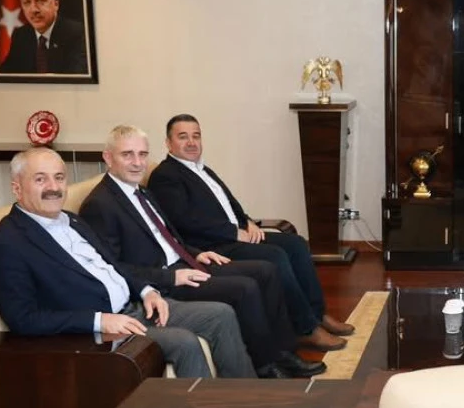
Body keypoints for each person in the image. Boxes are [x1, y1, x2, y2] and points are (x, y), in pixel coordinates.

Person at [0, 147, 255, 379]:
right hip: (96, 331)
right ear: (17, 188)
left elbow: (114, 265)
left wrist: (146, 290)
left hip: (135, 307)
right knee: (184, 342)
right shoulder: (5, 244)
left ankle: (249, 401)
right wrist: (99, 321)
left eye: (59, 177)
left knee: (220, 314)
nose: (53, 187)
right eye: (40, 179)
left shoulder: (72, 220)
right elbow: (23, 319)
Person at [78, 125, 326, 379]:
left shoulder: (141, 192)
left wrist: (196, 253)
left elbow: (169, 237)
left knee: (266, 271)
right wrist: (172, 277)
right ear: (108, 157)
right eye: (127, 155)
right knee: (245, 288)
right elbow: (115, 268)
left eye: (142, 154)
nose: (137, 162)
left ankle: (284, 352)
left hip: (185, 263)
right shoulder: (100, 205)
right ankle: (266, 366)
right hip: (163, 281)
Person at [147, 114, 354, 351]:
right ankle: (304, 329)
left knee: (296, 243)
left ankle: (317, 314)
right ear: (168, 143)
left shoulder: (201, 169)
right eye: (183, 137)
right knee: (275, 255)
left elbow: (229, 203)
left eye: (196, 136)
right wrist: (233, 232)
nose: (192, 142)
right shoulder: (166, 175)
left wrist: (248, 222)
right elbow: (183, 221)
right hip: (211, 246)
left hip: (234, 234)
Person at [0, 0, 88, 75]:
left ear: (56, 4)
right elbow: (6, 74)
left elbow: (74, 76)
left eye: (41, 0)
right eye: (27, 2)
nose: (34, 10)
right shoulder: (21, 35)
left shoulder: (77, 33)